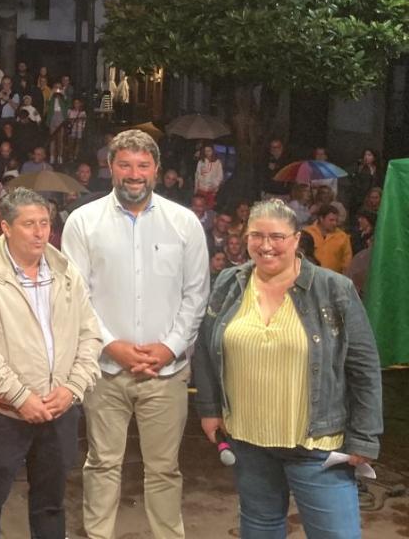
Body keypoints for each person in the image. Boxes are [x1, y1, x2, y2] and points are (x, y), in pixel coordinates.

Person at [193, 199, 382, 539]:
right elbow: (206, 349)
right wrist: (209, 408)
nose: (266, 245)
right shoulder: (228, 284)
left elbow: (364, 367)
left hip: (318, 446)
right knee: (260, 527)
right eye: (256, 235)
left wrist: (365, 436)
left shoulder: (333, 289)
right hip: (248, 441)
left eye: (277, 236)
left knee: (336, 534)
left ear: (296, 239)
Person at [62, 129, 209, 539]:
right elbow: (77, 295)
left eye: (143, 166)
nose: (134, 174)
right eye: (125, 164)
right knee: (102, 463)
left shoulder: (185, 223)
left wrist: (170, 347)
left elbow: (196, 294)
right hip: (105, 370)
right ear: (110, 167)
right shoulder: (83, 222)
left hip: (167, 372)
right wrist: (112, 345)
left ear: (156, 171)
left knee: (164, 469)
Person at [0, 188, 102, 539]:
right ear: (5, 228)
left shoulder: (66, 272)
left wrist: (72, 388)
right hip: (2, 415)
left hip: (59, 411)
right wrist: (20, 397)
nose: (39, 232)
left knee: (50, 504)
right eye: (29, 224)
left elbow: (90, 335)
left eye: (44, 223)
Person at [303, 205, 352, 274]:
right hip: (309, 277)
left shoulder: (343, 237)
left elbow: (347, 263)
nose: (334, 223)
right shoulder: (307, 232)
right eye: (331, 220)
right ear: (321, 219)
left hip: (332, 280)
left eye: (336, 220)